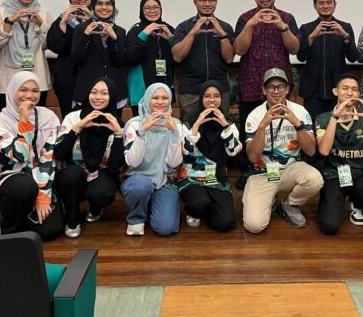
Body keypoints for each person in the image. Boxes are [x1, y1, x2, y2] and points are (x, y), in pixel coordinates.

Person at [234, 0, 300, 186]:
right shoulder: (245, 18)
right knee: (250, 126)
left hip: (278, 85)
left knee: (280, 126)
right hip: (251, 82)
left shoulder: (287, 17)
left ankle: (281, 165)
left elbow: (295, 49)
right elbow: (239, 50)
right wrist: (250, 25)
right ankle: (249, 168)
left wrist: (282, 26)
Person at [243, 69, 323, 233]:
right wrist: (262, 126)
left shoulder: (300, 111)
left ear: (287, 89)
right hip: (262, 172)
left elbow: (310, 151)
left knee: (315, 179)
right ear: (264, 90)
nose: (276, 91)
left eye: (280, 86)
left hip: (291, 168)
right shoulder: (254, 115)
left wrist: (297, 124)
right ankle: (270, 200)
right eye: (271, 87)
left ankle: (289, 204)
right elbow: (252, 157)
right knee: (254, 226)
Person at [0, 72, 64, 240]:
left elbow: (49, 156)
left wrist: (42, 196)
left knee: (49, 231)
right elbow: (20, 155)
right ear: (12, 91)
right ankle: (10, 229)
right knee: (23, 186)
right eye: (23, 90)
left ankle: (30, 215)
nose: (30, 95)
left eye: (35, 91)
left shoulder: (48, 117)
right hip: (12, 180)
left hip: (43, 177)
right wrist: (24, 120)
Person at [315, 74, 363, 235]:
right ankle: (329, 200)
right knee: (329, 227)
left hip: (357, 175)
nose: (350, 93)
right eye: (345, 88)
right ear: (335, 91)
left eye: (354, 89)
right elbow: (324, 150)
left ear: (358, 94)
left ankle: (356, 203)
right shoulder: (323, 118)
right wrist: (335, 117)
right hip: (333, 175)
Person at [54, 78, 125, 238]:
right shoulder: (73, 117)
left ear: (112, 96)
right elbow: (59, 154)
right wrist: (78, 127)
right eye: (94, 92)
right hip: (75, 172)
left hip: (102, 173)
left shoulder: (118, 123)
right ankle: (72, 218)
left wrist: (118, 134)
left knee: (103, 192)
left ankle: (95, 207)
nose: (98, 97)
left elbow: (115, 166)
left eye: (104, 93)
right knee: (71, 175)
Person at [178, 80, 241, 232]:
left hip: (216, 179)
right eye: (207, 96)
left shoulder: (228, 123)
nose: (212, 100)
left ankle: (207, 209)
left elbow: (233, 151)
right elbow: (184, 151)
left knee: (225, 223)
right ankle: (195, 211)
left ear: (221, 99)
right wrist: (197, 125)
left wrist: (225, 126)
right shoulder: (189, 122)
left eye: (216, 96)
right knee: (199, 203)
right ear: (201, 98)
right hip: (192, 177)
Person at [122, 83, 183, 236]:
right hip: (138, 178)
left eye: (165, 98)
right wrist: (142, 131)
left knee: (166, 228)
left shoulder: (176, 125)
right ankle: (136, 218)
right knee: (141, 186)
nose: (160, 102)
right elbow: (133, 162)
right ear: (147, 99)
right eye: (155, 98)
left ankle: (150, 204)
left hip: (165, 180)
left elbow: (174, 163)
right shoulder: (134, 123)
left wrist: (174, 134)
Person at [172, 0, 235, 124]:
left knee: (219, 126)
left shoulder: (225, 27)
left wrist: (223, 35)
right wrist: (192, 33)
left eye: (211, 0)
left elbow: (229, 59)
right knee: (189, 127)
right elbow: (177, 56)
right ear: (195, 2)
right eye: (202, 0)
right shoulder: (184, 27)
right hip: (191, 89)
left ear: (216, 2)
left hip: (219, 89)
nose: (207, 4)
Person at [0, 0, 54, 112]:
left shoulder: (43, 13)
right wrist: (10, 21)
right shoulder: (0, 12)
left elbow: (49, 44)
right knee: (7, 120)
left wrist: (40, 23)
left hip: (37, 80)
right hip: (6, 80)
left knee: (35, 119)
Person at [297, 0, 358, 121]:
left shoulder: (345, 27)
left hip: (338, 90)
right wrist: (311, 38)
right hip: (313, 91)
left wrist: (345, 37)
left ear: (335, 5)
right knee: (314, 126)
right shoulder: (306, 28)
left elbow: (353, 58)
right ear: (315, 6)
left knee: (337, 125)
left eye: (329, 2)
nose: (325, 6)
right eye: (321, 3)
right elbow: (301, 57)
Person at [70, 0, 127, 108]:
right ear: (93, 7)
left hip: (114, 91)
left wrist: (114, 38)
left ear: (113, 7)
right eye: (99, 3)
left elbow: (119, 61)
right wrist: (86, 35)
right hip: (88, 90)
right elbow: (76, 59)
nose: (104, 7)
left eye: (108, 4)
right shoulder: (81, 28)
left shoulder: (120, 31)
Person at [46, 0, 93, 115]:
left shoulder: (99, 17)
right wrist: (63, 24)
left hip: (93, 79)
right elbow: (54, 46)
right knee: (70, 118)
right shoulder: (63, 18)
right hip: (68, 80)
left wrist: (90, 21)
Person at [125, 0, 175, 116]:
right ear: (141, 10)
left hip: (164, 80)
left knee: (163, 119)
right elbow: (130, 57)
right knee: (140, 120)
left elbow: (177, 58)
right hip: (140, 82)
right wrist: (144, 33)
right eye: (147, 8)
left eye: (155, 7)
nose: (152, 11)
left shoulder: (167, 28)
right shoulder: (136, 30)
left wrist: (170, 39)